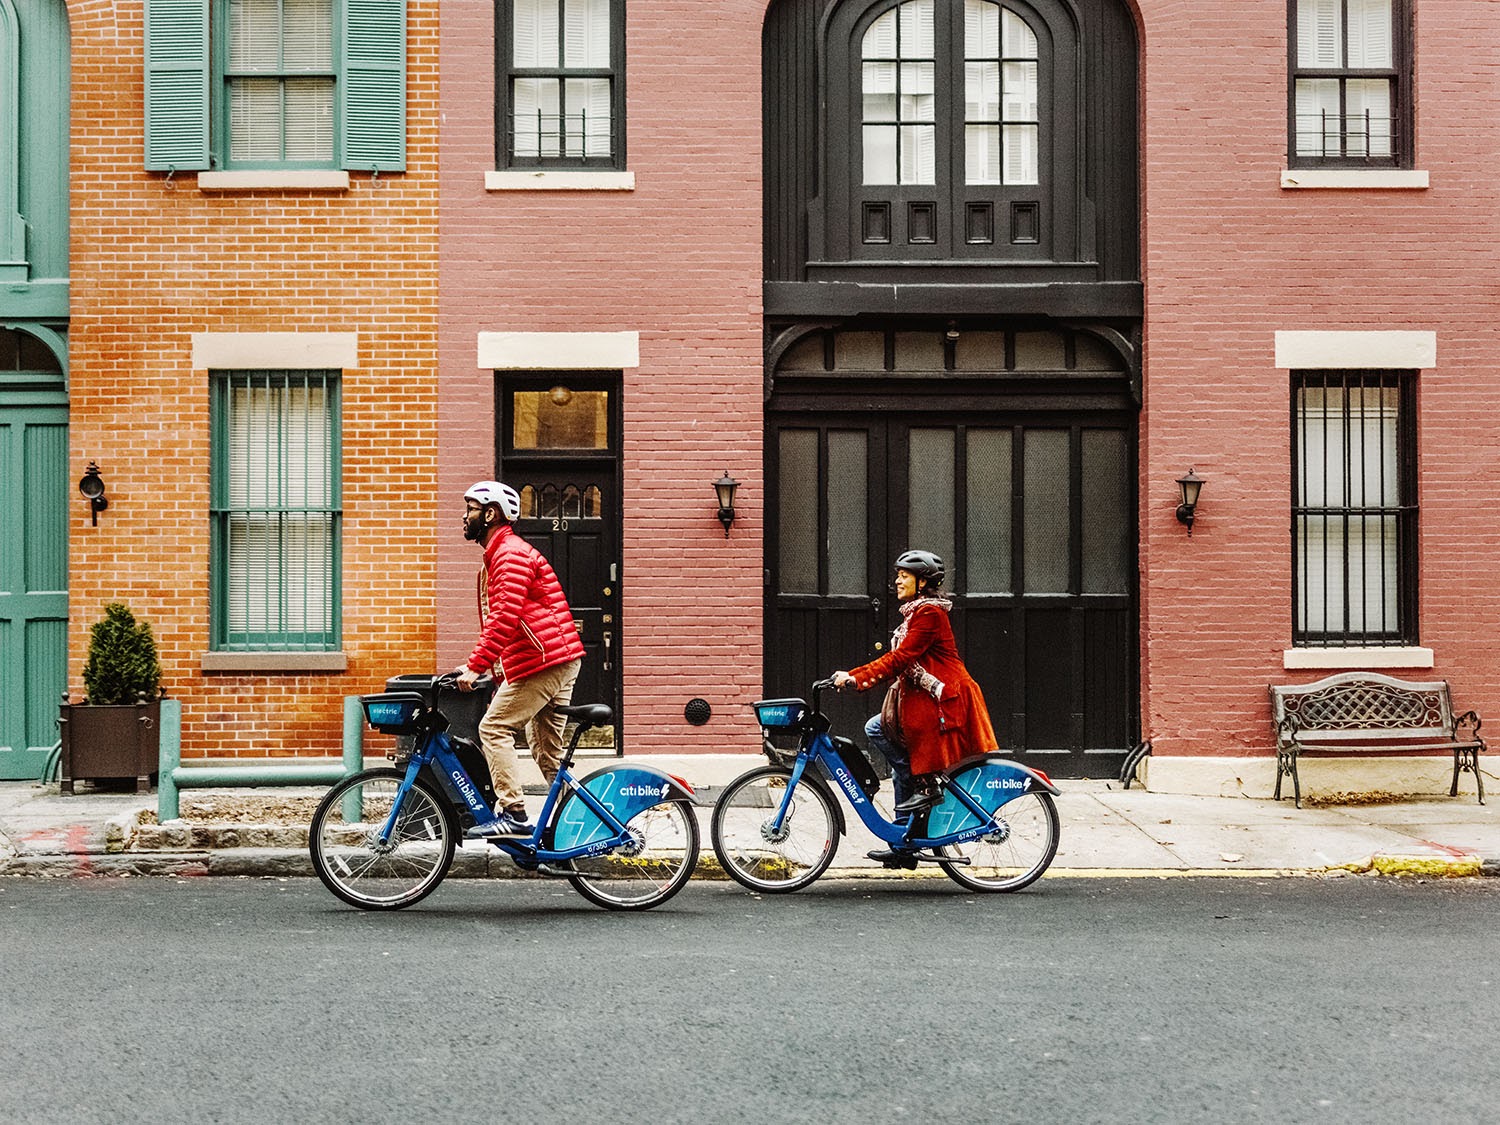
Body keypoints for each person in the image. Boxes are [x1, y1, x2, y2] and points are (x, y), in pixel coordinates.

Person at [832, 550, 997, 860]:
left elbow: (901, 658)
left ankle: (923, 788)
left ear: (922, 582)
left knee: (881, 736)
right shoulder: (916, 612)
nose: (897, 580)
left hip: (944, 702)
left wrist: (855, 678)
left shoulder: (929, 613)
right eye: (898, 575)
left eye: (903, 576)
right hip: (924, 700)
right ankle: (903, 845)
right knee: (895, 761)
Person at [455, 480, 585, 838]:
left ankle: (513, 814)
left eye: (471, 509)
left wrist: (477, 665)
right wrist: (487, 667)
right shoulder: (500, 554)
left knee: (493, 728)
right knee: (547, 754)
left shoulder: (509, 554)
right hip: (550, 658)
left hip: (545, 661)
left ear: (491, 513)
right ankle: (579, 828)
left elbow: (505, 617)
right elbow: (508, 622)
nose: (465, 516)